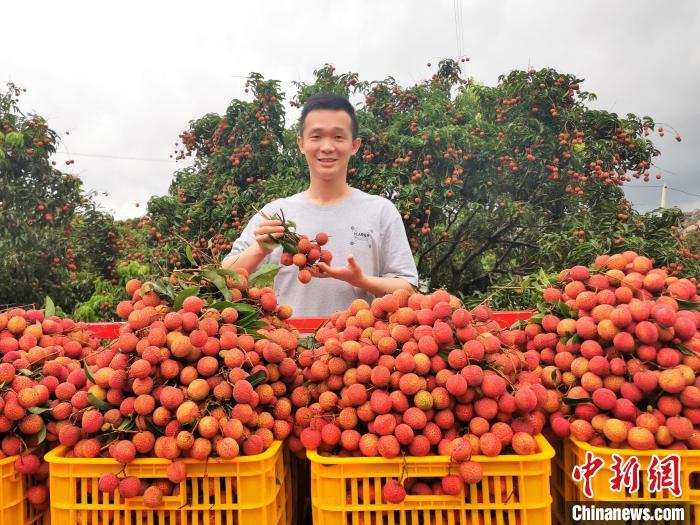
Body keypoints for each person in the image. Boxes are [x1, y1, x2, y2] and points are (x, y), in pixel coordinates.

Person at [222, 94, 418, 317]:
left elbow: (408, 290)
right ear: (301, 144)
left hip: (357, 346)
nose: (327, 147)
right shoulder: (273, 215)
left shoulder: (380, 211)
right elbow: (223, 278)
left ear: (355, 145)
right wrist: (260, 249)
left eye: (338, 137)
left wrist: (361, 281)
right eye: (316, 137)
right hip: (282, 347)